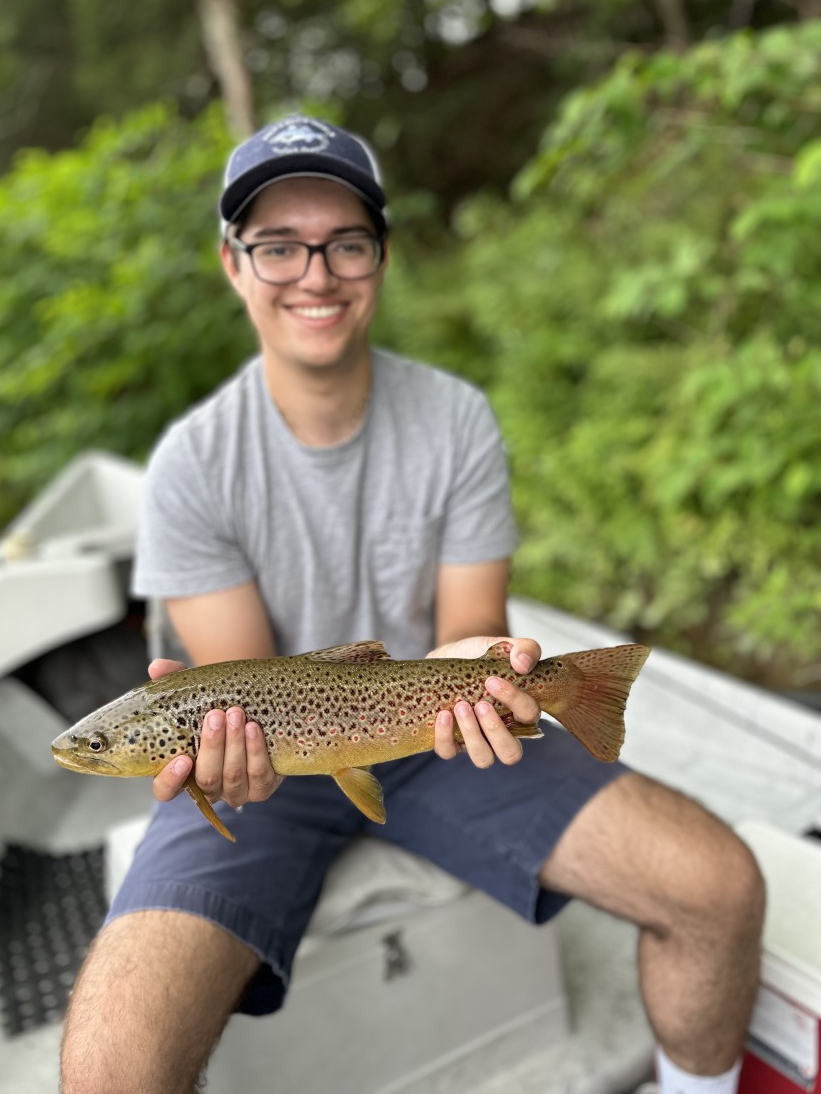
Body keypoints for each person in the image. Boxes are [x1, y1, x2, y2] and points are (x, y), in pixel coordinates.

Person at [60, 114, 765, 1094]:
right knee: (109, 1070)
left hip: (436, 736)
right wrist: (234, 762)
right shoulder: (191, 465)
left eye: (346, 241)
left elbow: (466, 629)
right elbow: (239, 688)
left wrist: (501, 673)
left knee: (718, 888)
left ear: (380, 258)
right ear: (233, 265)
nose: (316, 271)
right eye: (278, 244)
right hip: (258, 773)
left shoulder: (455, 420)